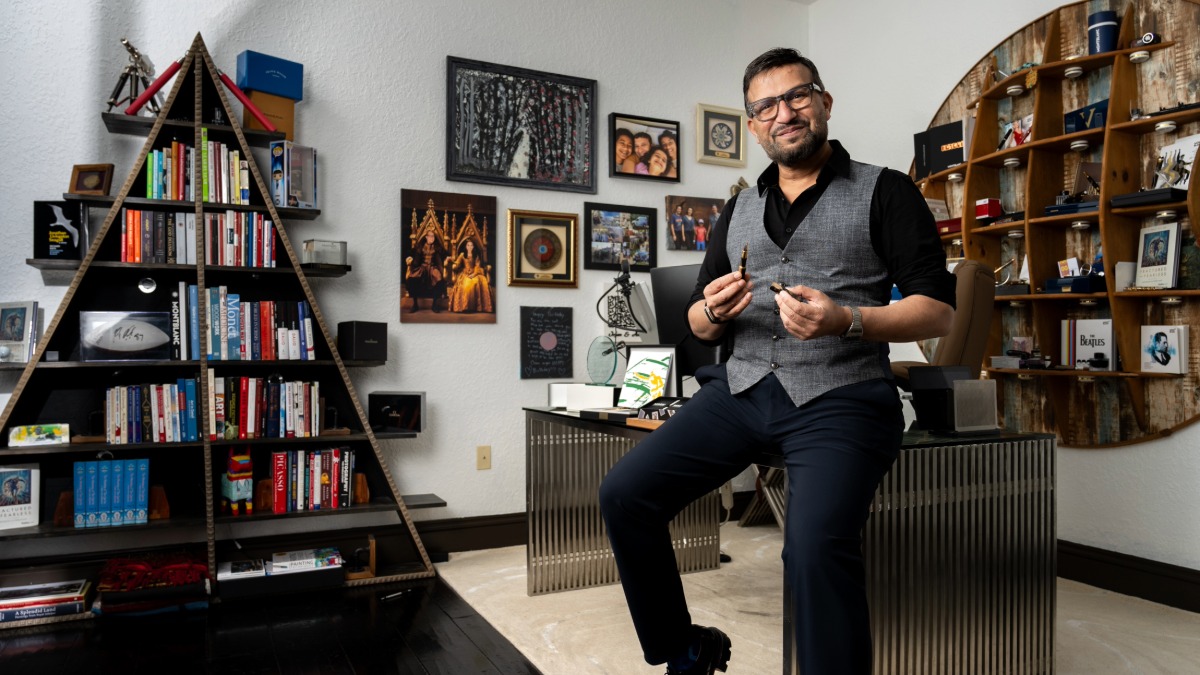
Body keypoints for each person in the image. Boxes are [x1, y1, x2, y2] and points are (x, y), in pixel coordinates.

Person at [599, 47, 956, 675]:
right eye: (766, 105)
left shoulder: (886, 190)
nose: (784, 112)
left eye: (796, 96)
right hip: (740, 392)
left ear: (823, 102)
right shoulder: (735, 210)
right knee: (625, 494)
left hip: (841, 396)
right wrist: (714, 310)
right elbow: (696, 323)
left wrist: (848, 319)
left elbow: (937, 311)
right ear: (753, 124)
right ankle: (685, 647)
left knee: (815, 551)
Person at [447, 239, 494, 313]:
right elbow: (457, 263)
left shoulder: (475, 255)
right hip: (464, 273)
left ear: (473, 247)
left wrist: (474, 274)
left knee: (478, 282)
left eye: (471, 245)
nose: (470, 247)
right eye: (468, 245)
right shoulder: (462, 254)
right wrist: (453, 263)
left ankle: (475, 307)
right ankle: (465, 307)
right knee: (466, 285)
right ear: (466, 246)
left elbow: (477, 266)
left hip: (474, 272)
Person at [405, 231, 447, 312]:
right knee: (412, 278)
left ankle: (434, 305)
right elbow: (411, 253)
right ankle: (415, 304)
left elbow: (446, 253)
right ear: (426, 237)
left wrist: (448, 258)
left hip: (432, 267)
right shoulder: (420, 246)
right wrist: (409, 257)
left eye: (433, 237)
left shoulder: (437, 247)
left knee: (438, 278)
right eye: (430, 236)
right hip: (423, 267)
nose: (432, 238)